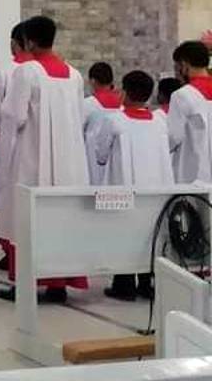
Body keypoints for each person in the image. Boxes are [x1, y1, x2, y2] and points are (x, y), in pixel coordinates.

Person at [0, 16, 88, 303]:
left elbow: (14, 116)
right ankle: (58, 283)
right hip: (68, 161)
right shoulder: (74, 74)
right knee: (59, 218)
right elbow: (79, 116)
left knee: (27, 219)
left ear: (30, 41)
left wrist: (4, 157)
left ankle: (25, 283)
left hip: (32, 158)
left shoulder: (27, 72)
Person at [94, 71, 173, 301]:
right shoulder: (159, 120)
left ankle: (124, 284)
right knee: (149, 233)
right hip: (154, 189)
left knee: (122, 232)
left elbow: (100, 154)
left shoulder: (114, 120)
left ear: (125, 93)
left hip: (123, 187)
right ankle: (146, 283)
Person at [0, 22, 31, 271]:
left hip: (9, 137)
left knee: (5, 193)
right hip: (31, 141)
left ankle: (9, 249)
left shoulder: (5, 70)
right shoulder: (42, 71)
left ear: (15, 43)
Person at [168, 41, 212, 184]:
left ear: (184, 65)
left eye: (178, 67)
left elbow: (173, 137)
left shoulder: (182, 95)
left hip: (194, 174)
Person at [83, 61, 122, 185]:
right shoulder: (121, 105)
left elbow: (76, 129)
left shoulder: (88, 103)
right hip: (114, 159)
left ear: (93, 81)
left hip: (92, 158)